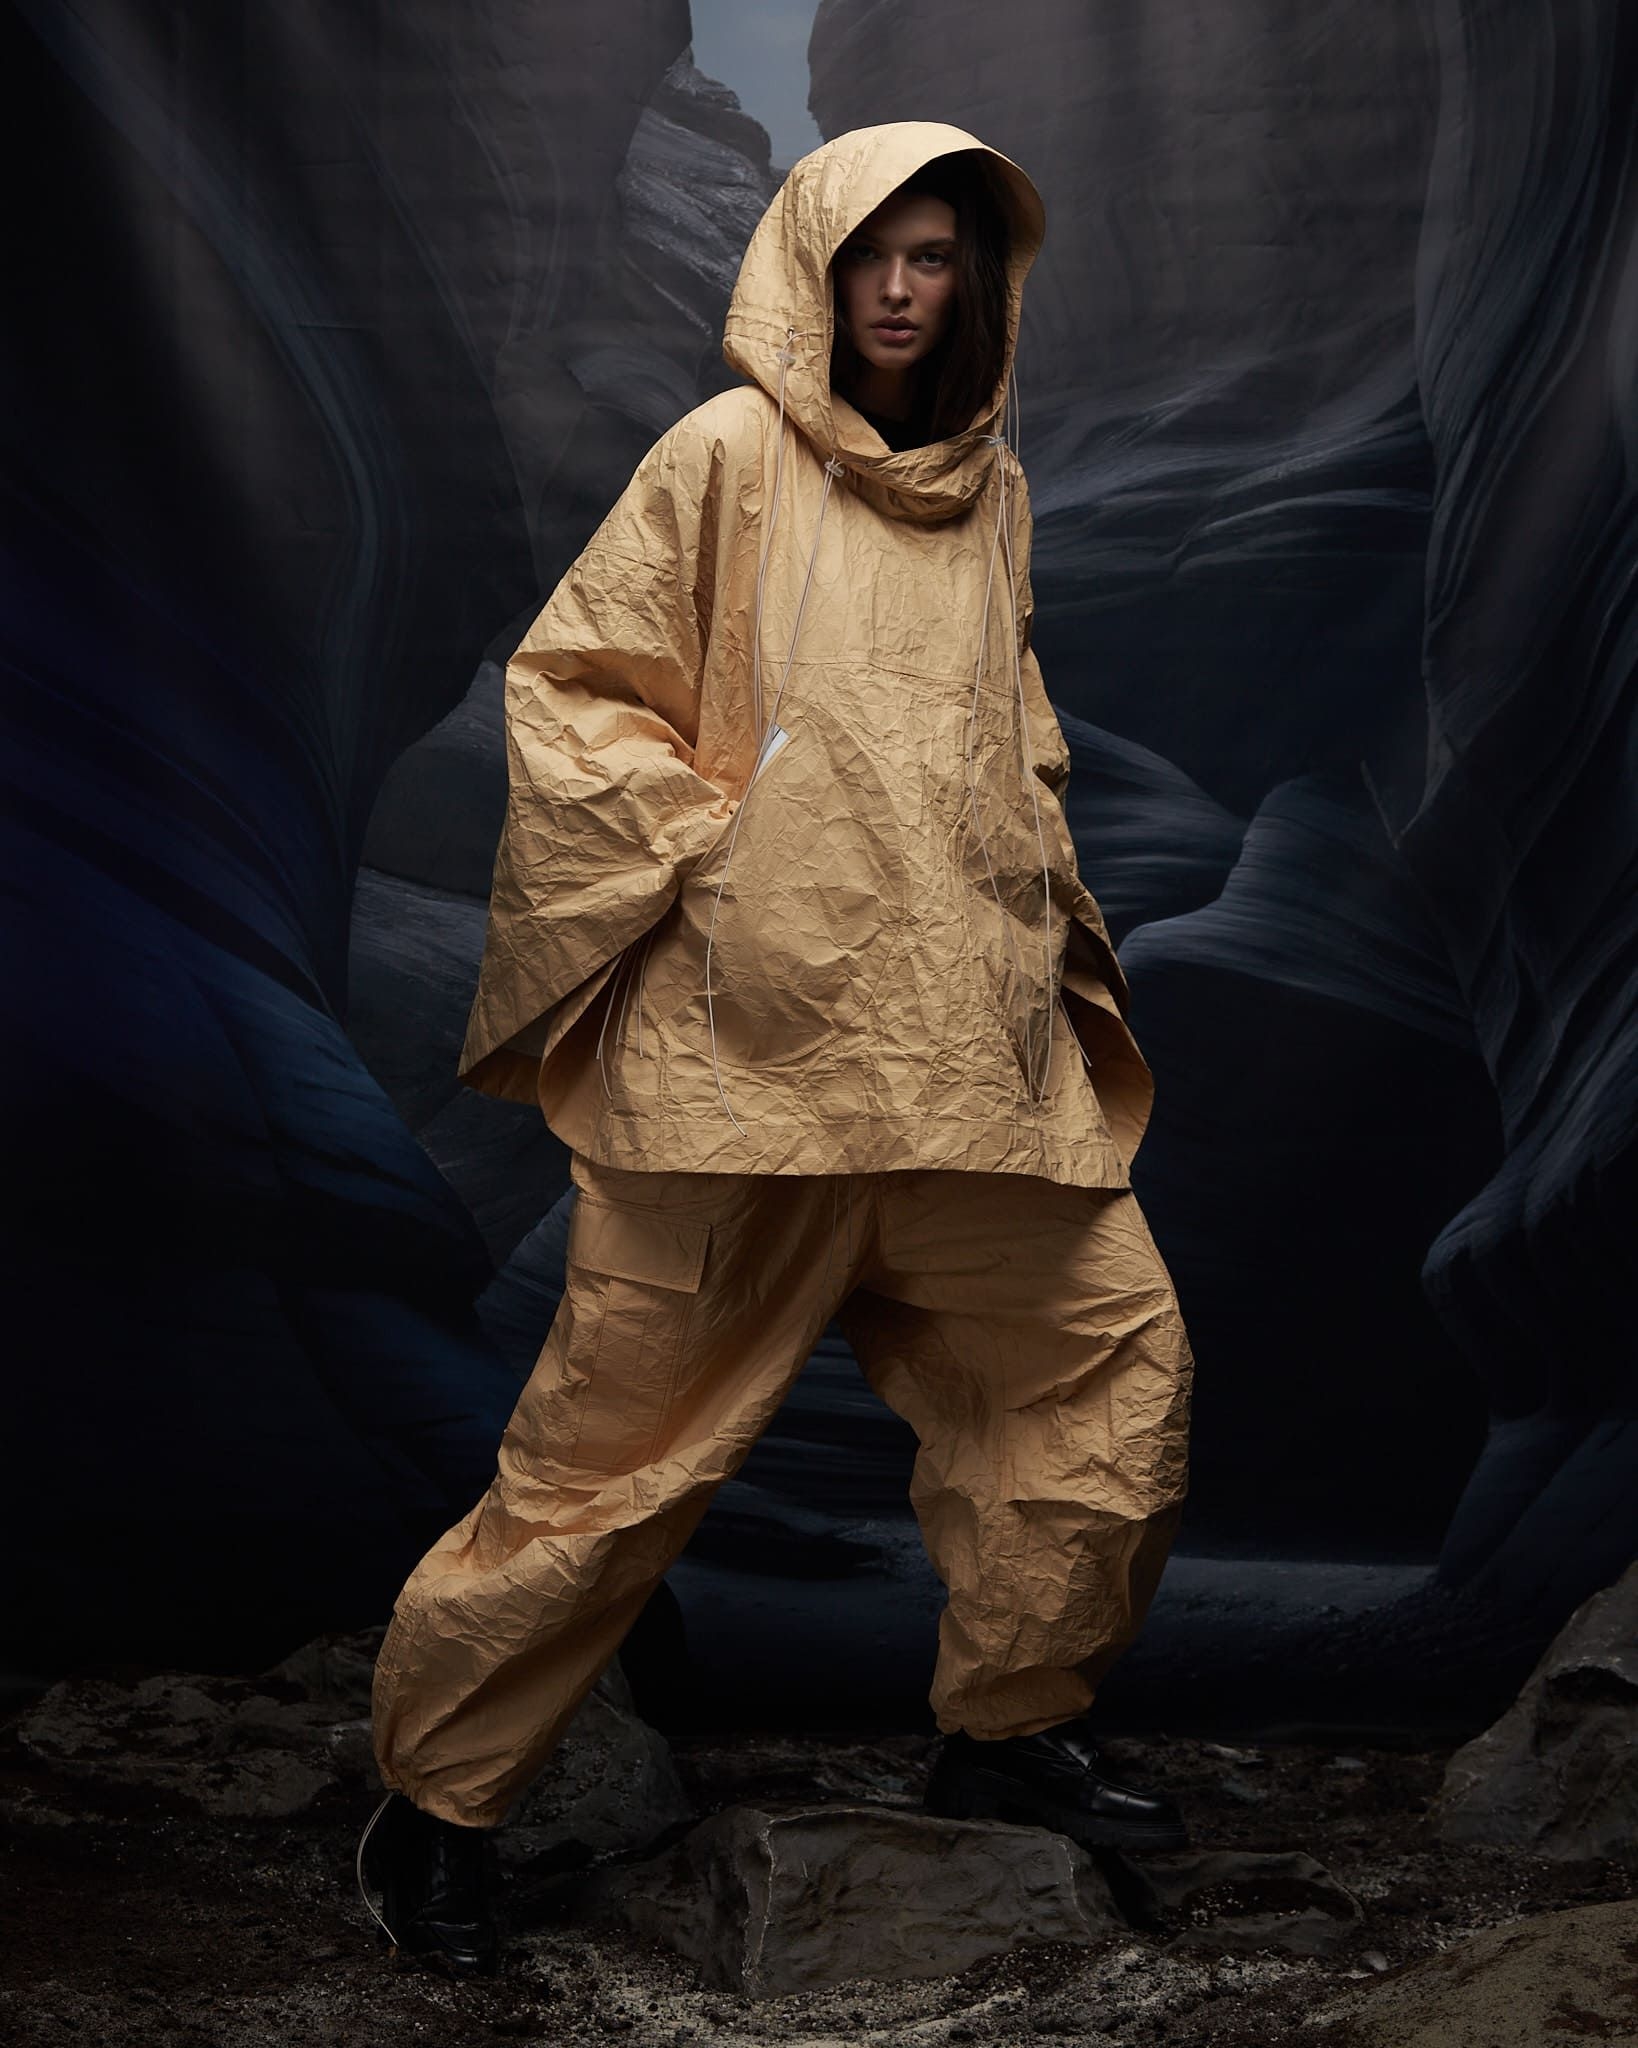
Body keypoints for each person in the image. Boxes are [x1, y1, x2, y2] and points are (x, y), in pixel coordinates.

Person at [358, 119, 1194, 1976]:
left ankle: (1007, 1732)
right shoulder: (723, 455)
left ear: (978, 283)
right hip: (742, 1072)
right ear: (809, 269)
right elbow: (576, 692)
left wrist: (1031, 925)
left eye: (934, 258)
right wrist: (733, 858)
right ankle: (437, 1816)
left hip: (965, 1069)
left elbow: (1003, 734)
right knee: (609, 1468)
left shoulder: (994, 492)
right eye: (868, 255)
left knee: (1100, 1377)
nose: (899, 290)